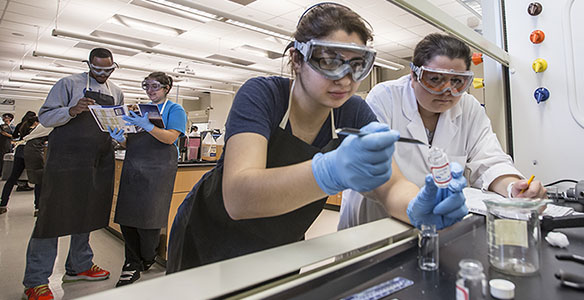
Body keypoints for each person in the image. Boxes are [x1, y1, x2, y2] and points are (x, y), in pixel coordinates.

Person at [166, 3, 469, 274]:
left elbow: (392, 186)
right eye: (329, 61)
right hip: (212, 235)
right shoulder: (262, 95)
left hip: (284, 242)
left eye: (357, 64)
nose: (345, 78)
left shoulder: (354, 112)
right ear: (297, 59)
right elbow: (238, 197)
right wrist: (330, 170)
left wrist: (419, 206)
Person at [339, 33, 548, 230]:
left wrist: (514, 188)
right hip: (383, 221)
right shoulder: (385, 98)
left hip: (441, 223)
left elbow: (490, 161)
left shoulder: (468, 107)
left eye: (457, 81)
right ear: (414, 75)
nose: (447, 91)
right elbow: (375, 169)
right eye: (435, 79)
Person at [22, 47, 123, 300]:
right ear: (89, 65)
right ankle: (36, 281)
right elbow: (45, 117)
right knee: (52, 217)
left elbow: (114, 127)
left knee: (88, 212)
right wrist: (72, 110)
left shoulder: (116, 91)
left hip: (99, 159)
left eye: (108, 69)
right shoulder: (68, 84)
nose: (102, 74)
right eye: (97, 69)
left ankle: (79, 265)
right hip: (66, 160)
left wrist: (124, 129)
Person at [108, 72, 187, 287]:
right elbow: (130, 142)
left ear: (167, 88)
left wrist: (150, 126)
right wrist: (119, 138)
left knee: (149, 219)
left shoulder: (174, 110)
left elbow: (171, 137)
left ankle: (147, 257)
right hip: (134, 167)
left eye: (155, 86)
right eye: (146, 86)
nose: (150, 91)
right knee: (127, 216)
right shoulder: (137, 110)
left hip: (158, 169)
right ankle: (131, 263)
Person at [0, 114, 38, 215]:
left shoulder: (22, 126)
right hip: (32, 151)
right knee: (38, 180)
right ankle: (38, 208)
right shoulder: (38, 128)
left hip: (20, 151)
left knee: (12, 178)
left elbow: (15, 136)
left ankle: (3, 204)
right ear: (35, 122)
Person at [22, 122, 52, 217]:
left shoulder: (46, 122)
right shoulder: (53, 122)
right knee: (40, 179)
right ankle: (39, 207)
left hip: (31, 148)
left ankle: (39, 207)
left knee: (40, 180)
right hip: (35, 150)